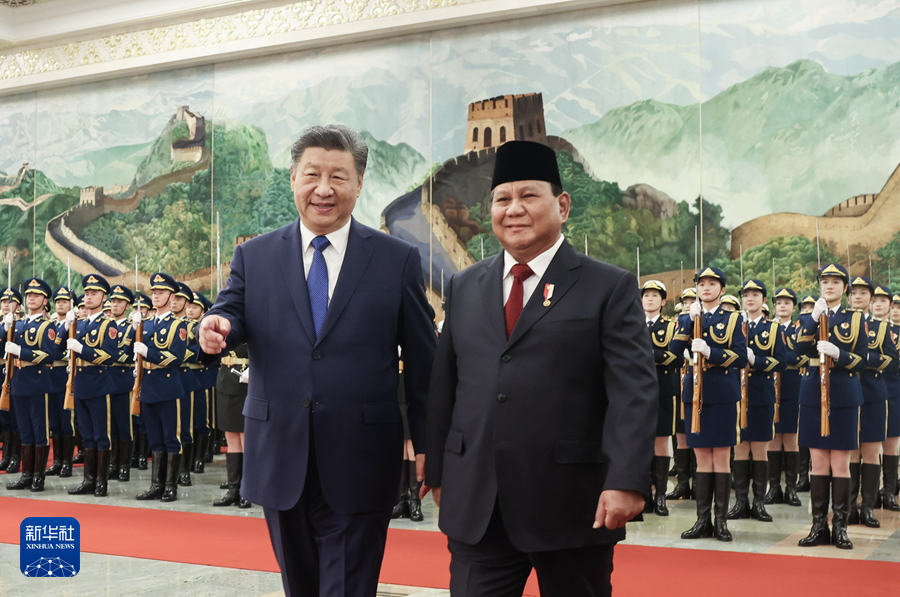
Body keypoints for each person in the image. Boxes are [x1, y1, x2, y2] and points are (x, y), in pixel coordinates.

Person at [199, 124, 437, 597]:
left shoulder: (396, 260)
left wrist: (430, 443)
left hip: (361, 456)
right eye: (312, 175)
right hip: (279, 452)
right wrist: (216, 324)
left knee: (347, 587)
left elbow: (424, 362)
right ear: (293, 178)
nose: (323, 189)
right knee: (300, 586)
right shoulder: (255, 256)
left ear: (359, 183)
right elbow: (231, 311)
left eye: (338, 177)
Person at [423, 140, 656, 597]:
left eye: (528, 196)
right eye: (502, 199)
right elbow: (445, 384)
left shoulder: (607, 287)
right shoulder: (466, 285)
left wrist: (627, 480)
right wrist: (439, 471)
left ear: (562, 205)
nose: (514, 209)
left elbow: (634, 392)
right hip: (478, 501)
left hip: (571, 503)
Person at [671, 266, 748, 542]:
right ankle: (702, 520)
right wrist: (687, 323)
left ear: (722, 289)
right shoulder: (687, 318)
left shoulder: (733, 319)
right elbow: (673, 351)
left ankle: (721, 522)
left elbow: (740, 357)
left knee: (721, 458)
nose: (706, 288)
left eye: (712, 283)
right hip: (695, 394)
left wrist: (711, 352)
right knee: (702, 459)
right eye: (702, 283)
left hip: (723, 394)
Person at [796, 264, 866, 550]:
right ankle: (818, 526)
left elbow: (862, 360)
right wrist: (814, 318)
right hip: (814, 392)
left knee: (840, 463)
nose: (829, 286)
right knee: (818, 463)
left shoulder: (856, 318)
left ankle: (840, 527)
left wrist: (840, 354)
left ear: (845, 288)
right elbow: (799, 349)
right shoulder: (809, 317)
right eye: (825, 281)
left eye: (836, 282)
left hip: (843, 394)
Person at [728, 280, 785, 523]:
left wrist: (757, 361)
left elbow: (781, 362)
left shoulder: (773, 329)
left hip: (761, 394)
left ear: (763, 300)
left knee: (760, 449)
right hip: (737, 395)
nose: (750, 299)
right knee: (740, 449)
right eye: (746, 295)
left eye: (755, 295)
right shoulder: (733, 325)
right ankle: (741, 502)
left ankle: (759, 503)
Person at [132, 272, 188, 502]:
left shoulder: (178, 326)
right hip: (148, 386)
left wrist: (149, 352)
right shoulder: (145, 324)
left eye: (161, 292)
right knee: (154, 438)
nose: (155, 296)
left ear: (171, 297)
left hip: (167, 387)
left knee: (171, 438)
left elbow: (176, 358)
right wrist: (133, 328)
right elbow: (127, 350)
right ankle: (156, 484)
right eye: (154, 292)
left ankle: (170, 486)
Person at [846, 276, 896, 528]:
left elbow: (893, 362)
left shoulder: (881, 328)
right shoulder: (839, 324)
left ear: (871, 299)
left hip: (873, 394)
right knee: (851, 452)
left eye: (863, 293)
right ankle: (849, 506)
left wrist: (867, 359)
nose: (858, 297)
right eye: (853, 292)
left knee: (871, 451)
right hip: (847, 394)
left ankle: (868, 507)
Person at [3, 278, 58, 492]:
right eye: (29, 295)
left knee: (39, 431)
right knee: (25, 431)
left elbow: (49, 356)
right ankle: (26, 474)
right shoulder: (19, 324)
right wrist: (5, 327)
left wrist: (21, 352)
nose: (31, 298)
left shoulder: (47, 326)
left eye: (36, 295)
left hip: (37, 383)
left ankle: (38, 477)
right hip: (19, 381)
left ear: (45, 301)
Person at [66, 274, 119, 498]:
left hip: (98, 383)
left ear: (103, 297)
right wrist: (66, 324)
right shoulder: (79, 324)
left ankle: (101, 482)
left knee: (101, 435)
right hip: (81, 383)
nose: (88, 297)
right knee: (86, 435)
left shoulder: (108, 324)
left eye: (94, 293)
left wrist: (82, 349)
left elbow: (109, 356)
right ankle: (88, 480)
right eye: (86, 293)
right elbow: (59, 346)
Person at [642, 280, 681, 516]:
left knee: (661, 443)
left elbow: (676, 358)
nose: (650, 299)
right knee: (642, 442)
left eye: (655, 296)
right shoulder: (633, 324)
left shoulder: (671, 326)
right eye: (646, 295)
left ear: (663, 301)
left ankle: (660, 496)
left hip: (663, 389)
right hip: (638, 391)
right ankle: (645, 493)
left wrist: (648, 354)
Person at [766, 287, 806, 507]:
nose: (782, 306)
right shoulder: (768, 328)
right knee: (773, 439)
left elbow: (803, 357)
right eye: (779, 302)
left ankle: (791, 488)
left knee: (790, 439)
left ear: (794, 307)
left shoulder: (799, 330)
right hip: (770, 388)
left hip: (792, 388)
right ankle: (774, 488)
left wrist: (780, 358)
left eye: (787, 303)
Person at [667, 287, 699, 501]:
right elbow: (672, 350)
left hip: (698, 384)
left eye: (691, 301)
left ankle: (698, 482)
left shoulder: (704, 321)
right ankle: (682, 482)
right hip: (680, 386)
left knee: (696, 435)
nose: (688, 304)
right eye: (685, 301)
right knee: (680, 435)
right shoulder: (679, 324)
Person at [213, 343, 250, 508]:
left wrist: (255, 368)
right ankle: (233, 489)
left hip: (246, 379)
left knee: (245, 437)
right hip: (226, 378)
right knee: (231, 436)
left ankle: (248, 491)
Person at [873, 285, 900, 511]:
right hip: (869, 390)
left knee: (890, 443)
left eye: (883, 301)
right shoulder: (862, 327)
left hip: (893, 390)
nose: (878, 305)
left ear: (890, 305)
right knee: (868, 446)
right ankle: (871, 493)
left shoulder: (896, 332)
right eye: (876, 300)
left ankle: (889, 492)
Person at [46, 286, 76, 478]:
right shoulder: (50, 326)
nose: (60, 304)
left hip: (65, 377)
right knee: (54, 423)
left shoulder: (75, 325)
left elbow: (58, 351)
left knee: (67, 422)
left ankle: (67, 462)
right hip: (50, 378)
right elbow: (50, 350)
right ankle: (57, 462)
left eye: (64, 301)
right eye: (58, 301)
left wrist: (67, 328)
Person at [107, 285, 136, 482]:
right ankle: (113, 464)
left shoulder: (131, 328)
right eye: (113, 301)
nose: (115, 305)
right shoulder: (105, 326)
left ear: (127, 306)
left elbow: (129, 355)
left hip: (123, 380)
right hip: (106, 380)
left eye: (119, 302)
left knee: (124, 425)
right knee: (110, 426)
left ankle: (124, 466)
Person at [0, 287, 23, 474]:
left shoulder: (22, 325)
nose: (6, 305)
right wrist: (4, 328)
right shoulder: (2, 325)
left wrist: (11, 327)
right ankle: (6, 457)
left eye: (10, 301)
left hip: (15, 371)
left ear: (18, 306)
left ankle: (16, 457)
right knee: (3, 417)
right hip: (1, 371)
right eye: (3, 302)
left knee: (15, 416)